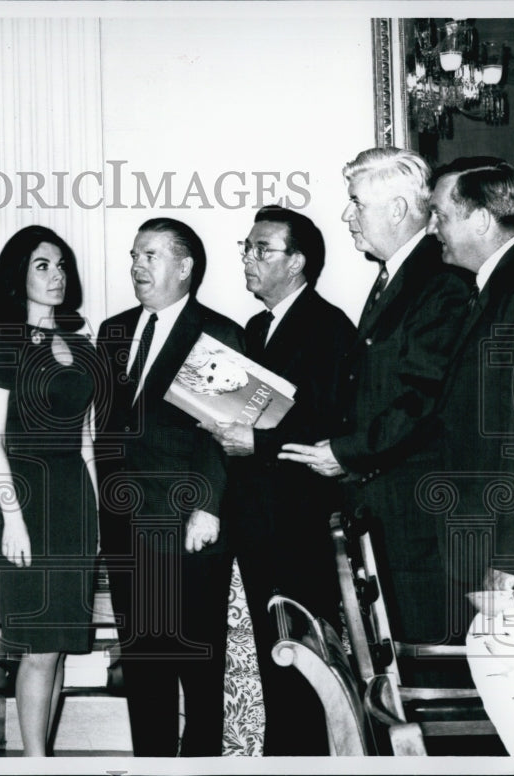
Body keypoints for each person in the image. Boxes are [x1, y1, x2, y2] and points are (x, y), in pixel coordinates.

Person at [280, 147, 474, 662]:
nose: (347, 215)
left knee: (424, 671)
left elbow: (421, 398)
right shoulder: (396, 277)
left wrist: (345, 452)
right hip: (387, 514)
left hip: (418, 524)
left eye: (356, 203)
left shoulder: (440, 282)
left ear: (395, 210)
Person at [204, 206, 354, 755]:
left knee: (303, 655)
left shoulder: (326, 325)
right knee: (274, 655)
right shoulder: (257, 327)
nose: (248, 258)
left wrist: (256, 443)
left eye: (261, 249)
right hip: (258, 518)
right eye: (246, 247)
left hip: (300, 520)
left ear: (298, 262)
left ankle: (304, 760)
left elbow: (331, 421)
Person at [95, 218, 243, 756]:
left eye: (151, 256)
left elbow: (220, 435)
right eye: (135, 255)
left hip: (188, 527)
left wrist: (206, 507)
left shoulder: (218, 334)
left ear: (185, 267)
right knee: (143, 666)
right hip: (125, 526)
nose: (137, 266)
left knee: (197, 666)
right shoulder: (113, 331)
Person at [0, 225, 98, 757]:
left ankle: (39, 758)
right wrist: (13, 520)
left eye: (61, 266)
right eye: (41, 266)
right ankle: (34, 765)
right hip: (27, 500)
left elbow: (89, 441)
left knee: (61, 648)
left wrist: (97, 517)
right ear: (17, 276)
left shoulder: (82, 344)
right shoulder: (1, 343)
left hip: (75, 500)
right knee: (39, 647)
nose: (55, 276)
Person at [426, 157, 514, 617]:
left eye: (440, 215)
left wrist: (511, 560)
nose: (433, 227)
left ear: (479, 219)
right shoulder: (498, 284)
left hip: (508, 554)